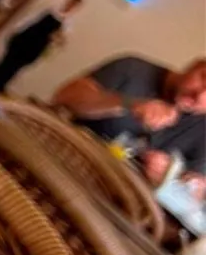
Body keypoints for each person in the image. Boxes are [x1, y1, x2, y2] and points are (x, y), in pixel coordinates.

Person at [53, 56, 206, 197]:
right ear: (193, 66)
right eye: (203, 78)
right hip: (62, 162)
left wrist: (171, 176)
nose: (199, 95)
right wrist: (128, 104)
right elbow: (65, 96)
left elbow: (198, 190)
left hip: (111, 198)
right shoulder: (132, 69)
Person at [0, 0, 83, 92]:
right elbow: (30, 19)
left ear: (76, 8)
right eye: (71, 2)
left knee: (16, 66)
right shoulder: (50, 8)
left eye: (74, 5)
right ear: (67, 0)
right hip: (26, 37)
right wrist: (17, 29)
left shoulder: (68, 24)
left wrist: (57, 38)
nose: (71, 6)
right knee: (7, 60)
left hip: (37, 46)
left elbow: (61, 41)